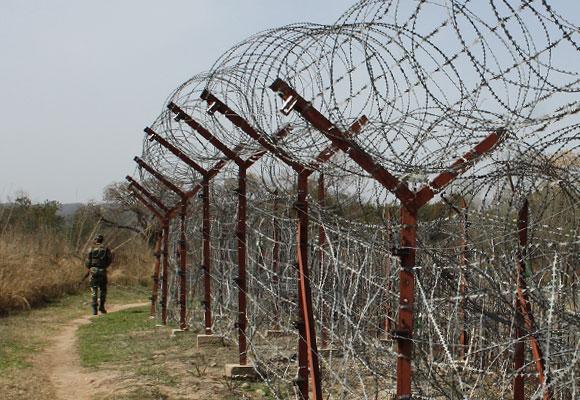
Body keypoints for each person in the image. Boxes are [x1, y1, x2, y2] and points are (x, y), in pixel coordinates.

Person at [85, 234, 113, 315]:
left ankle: (94, 309)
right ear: (102, 240)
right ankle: (102, 307)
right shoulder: (106, 249)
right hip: (102, 271)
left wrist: (91, 268)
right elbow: (109, 260)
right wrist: (104, 266)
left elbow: (87, 262)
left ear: (95, 240)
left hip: (93, 271)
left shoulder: (91, 249)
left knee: (94, 290)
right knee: (103, 289)